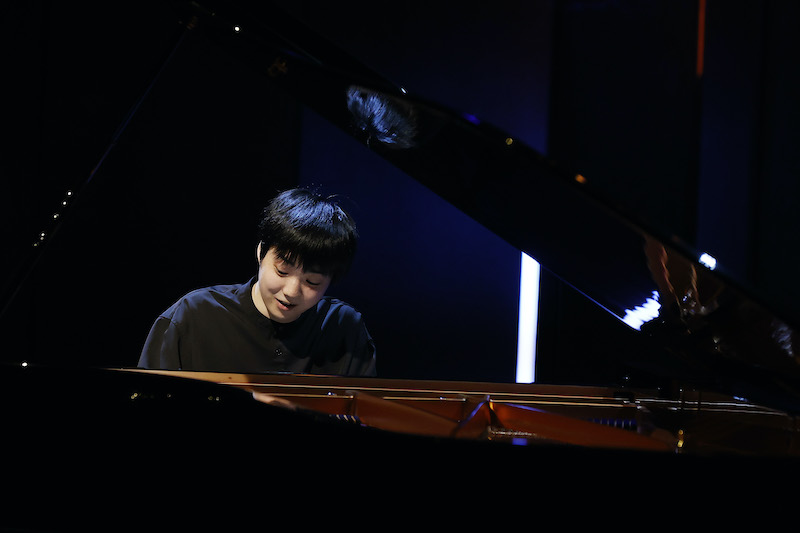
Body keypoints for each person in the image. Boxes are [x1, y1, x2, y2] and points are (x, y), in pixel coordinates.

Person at [138, 188, 376, 377]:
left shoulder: (344, 329)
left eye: (312, 282)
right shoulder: (194, 315)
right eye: (282, 271)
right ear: (261, 253)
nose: (292, 291)